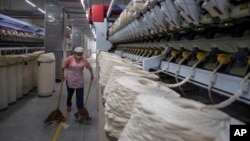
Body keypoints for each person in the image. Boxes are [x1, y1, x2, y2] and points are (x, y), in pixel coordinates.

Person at [61, 46, 94, 114]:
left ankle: (80, 109)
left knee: (80, 95)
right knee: (70, 93)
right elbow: (63, 66)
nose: (79, 55)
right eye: (78, 54)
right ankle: (68, 105)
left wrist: (92, 74)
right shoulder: (70, 58)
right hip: (70, 79)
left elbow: (89, 67)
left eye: (81, 54)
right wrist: (62, 75)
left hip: (79, 79)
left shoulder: (84, 59)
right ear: (74, 53)